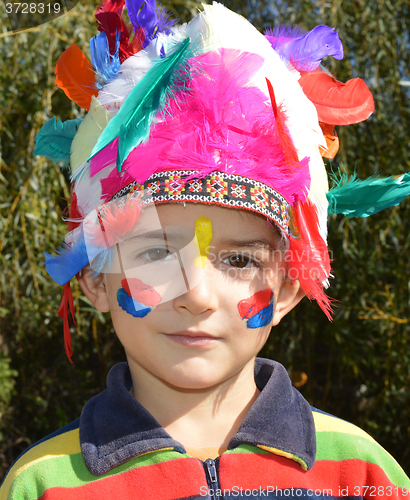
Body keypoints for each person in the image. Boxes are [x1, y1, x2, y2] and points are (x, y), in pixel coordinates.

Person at [1, 1, 410, 499]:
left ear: (287, 290)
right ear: (93, 279)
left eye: (239, 260)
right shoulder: (43, 485)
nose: (196, 296)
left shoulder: (364, 476)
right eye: (156, 254)